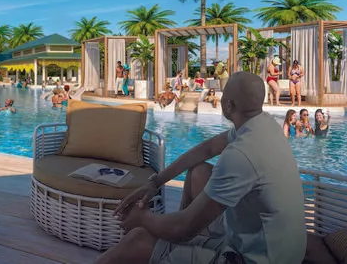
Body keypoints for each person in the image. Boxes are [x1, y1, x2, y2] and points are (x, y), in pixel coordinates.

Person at [98, 71, 306, 264]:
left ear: (228, 105)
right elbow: (208, 149)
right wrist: (156, 182)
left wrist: (142, 218)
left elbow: (183, 228)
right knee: (198, 172)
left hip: (251, 258)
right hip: (269, 245)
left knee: (138, 240)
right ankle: (181, 243)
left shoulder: (240, 154)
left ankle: (177, 244)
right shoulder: (264, 124)